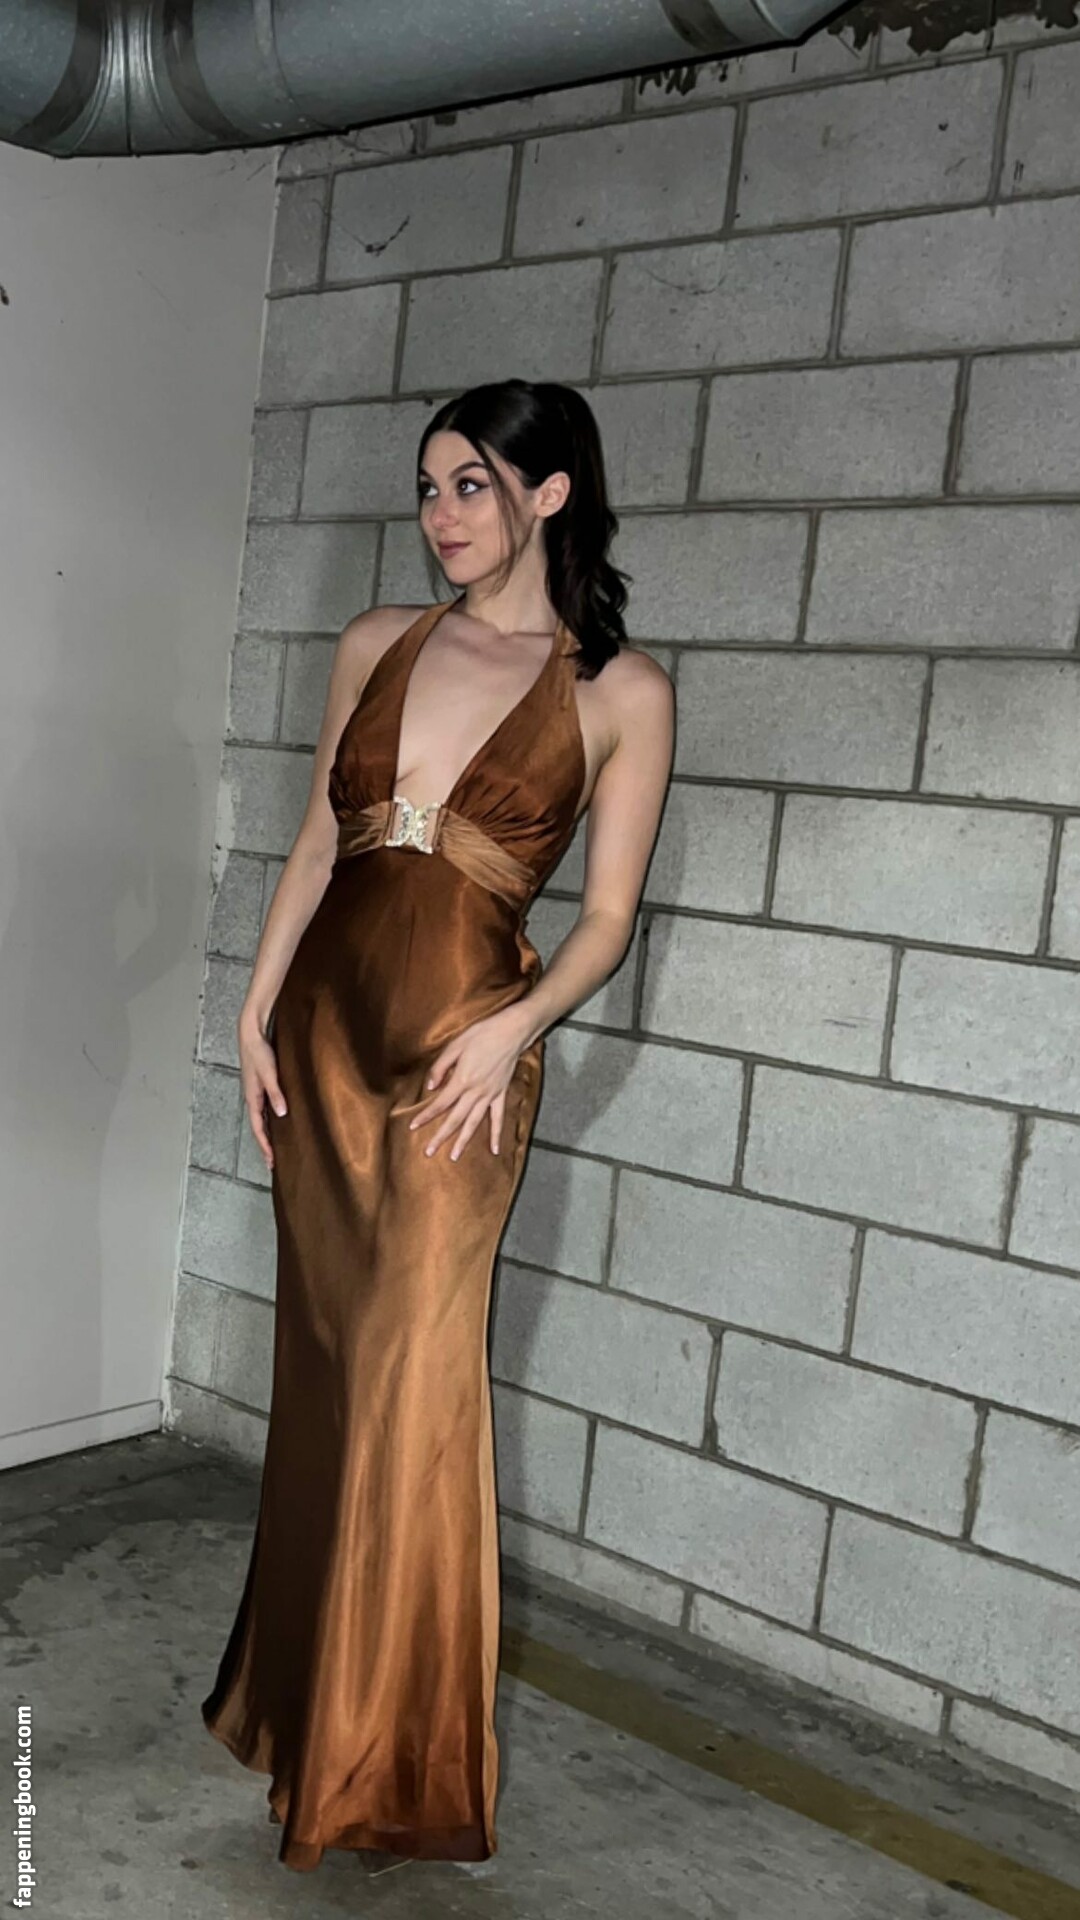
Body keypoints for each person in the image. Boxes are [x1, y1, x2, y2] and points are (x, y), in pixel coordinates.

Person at [200, 377, 675, 1872]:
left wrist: (517, 1026)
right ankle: (308, 1729)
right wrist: (251, 1009)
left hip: (460, 1069)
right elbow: (313, 844)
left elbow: (609, 920)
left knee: (413, 1393)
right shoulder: (375, 643)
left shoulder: (620, 692)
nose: (440, 514)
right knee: (327, 1381)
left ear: (549, 493)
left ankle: (383, 1765)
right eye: (427, 488)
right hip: (325, 1048)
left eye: (471, 484)